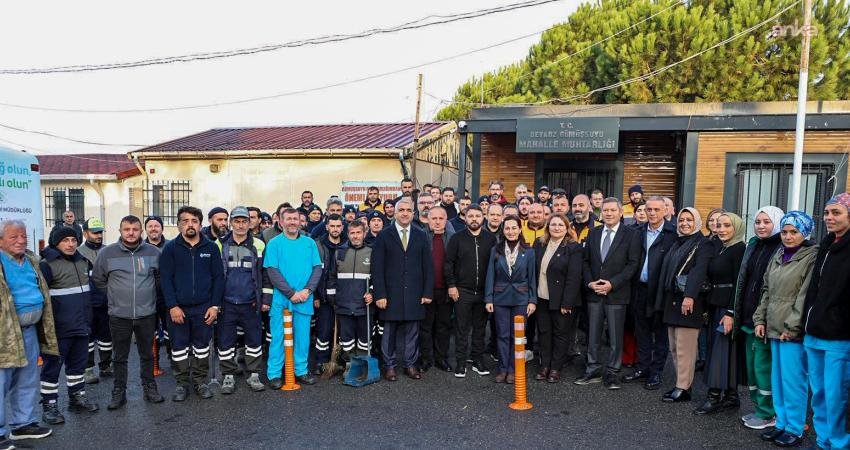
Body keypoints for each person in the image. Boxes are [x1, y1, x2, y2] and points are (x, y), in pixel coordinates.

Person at [752, 211, 817, 447]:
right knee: (777, 379)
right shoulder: (779, 254)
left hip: (791, 331)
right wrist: (760, 319)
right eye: (785, 231)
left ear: (805, 232)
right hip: (772, 326)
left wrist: (793, 326)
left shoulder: (811, 256)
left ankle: (795, 427)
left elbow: (805, 296)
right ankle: (781, 423)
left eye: (794, 232)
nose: (788, 236)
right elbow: (766, 289)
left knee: (793, 381)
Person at [91, 215, 164, 410]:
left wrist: (147, 296)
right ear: (120, 231)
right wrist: (115, 295)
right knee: (119, 356)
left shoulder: (153, 252)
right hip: (119, 315)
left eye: (135, 229)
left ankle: (150, 387)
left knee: (147, 354)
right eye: (126, 229)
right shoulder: (107, 254)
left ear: (141, 231)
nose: (131, 233)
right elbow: (98, 279)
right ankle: (119, 391)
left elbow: (159, 278)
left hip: (147, 313)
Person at [0, 220, 58, 444]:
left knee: (27, 378)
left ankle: (22, 424)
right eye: (14, 237)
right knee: (2, 382)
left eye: (23, 236)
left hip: (30, 330)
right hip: (5, 333)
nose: (21, 240)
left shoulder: (33, 260)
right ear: (1, 241)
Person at [160, 206, 224, 401]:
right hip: (178, 308)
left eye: (194, 221)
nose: (190, 224)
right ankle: (181, 384)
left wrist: (214, 306)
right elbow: (165, 279)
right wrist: (172, 306)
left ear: (200, 224)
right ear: (179, 225)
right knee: (178, 348)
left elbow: (218, 278)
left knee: (202, 347)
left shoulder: (211, 247)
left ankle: (199, 381)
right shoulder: (170, 248)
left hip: (204, 308)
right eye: (185, 221)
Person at [576, 198, 641, 390]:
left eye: (613, 210)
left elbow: (633, 264)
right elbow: (586, 261)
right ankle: (593, 369)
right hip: (594, 292)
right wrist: (590, 282)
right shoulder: (593, 233)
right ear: (600, 212)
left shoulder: (631, 235)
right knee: (593, 334)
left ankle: (613, 372)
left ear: (621, 212)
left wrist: (612, 284)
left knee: (615, 336)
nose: (609, 214)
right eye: (605, 210)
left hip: (617, 293)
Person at [802, 192, 850, 450]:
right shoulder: (826, 244)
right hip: (814, 333)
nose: (829, 218)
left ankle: (840, 444)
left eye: (836, 213)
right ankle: (824, 441)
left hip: (838, 338)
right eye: (827, 213)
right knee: (818, 394)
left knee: (837, 397)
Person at [38, 229, 100, 424]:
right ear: (56, 243)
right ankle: (49, 406)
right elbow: (41, 298)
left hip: (81, 326)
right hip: (58, 329)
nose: (71, 244)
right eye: (65, 240)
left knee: (77, 366)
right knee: (51, 370)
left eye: (74, 240)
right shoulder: (47, 265)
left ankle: (77, 398)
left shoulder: (83, 262)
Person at [731, 205, 784, 430]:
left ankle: (768, 413)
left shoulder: (782, 247)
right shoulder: (753, 244)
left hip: (765, 320)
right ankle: (758, 409)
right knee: (753, 369)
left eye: (766, 222)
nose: (761, 226)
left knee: (764, 369)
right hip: (747, 318)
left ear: (778, 223)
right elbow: (744, 280)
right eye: (758, 222)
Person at [371, 198, 434, 381]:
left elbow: (427, 266)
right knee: (389, 333)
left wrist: (427, 292)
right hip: (390, 294)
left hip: (415, 292)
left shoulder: (421, 234)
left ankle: (410, 364)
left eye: (408, 210)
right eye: (401, 210)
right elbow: (377, 267)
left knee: (412, 332)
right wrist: (380, 294)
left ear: (413, 213)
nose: (405, 213)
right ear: (395, 213)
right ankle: (390, 366)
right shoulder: (384, 235)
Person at [655, 208, 712, 403]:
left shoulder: (703, 243)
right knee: (674, 347)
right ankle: (681, 384)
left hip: (688, 302)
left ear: (696, 221)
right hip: (673, 300)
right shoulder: (678, 241)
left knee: (684, 349)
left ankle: (683, 387)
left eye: (689, 220)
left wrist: (689, 297)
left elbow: (699, 271)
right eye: (681, 220)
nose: (685, 223)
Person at [263, 208, 323, 388]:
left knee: (302, 338)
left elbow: (317, 268)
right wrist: (291, 293)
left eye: (295, 219)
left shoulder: (309, 243)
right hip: (282, 300)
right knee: (278, 338)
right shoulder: (274, 244)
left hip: (305, 299)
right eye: (288, 219)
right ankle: (274, 373)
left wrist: (307, 291)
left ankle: (301, 371)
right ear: (281, 222)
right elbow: (272, 271)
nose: (292, 222)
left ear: (300, 221)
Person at [624, 197, 677, 390]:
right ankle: (643, 367)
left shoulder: (673, 234)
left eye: (656, 209)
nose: (652, 213)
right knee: (642, 331)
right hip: (639, 288)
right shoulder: (636, 232)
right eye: (649, 209)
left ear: (665, 211)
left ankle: (656, 372)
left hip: (661, 290)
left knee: (660, 334)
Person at [695, 213, 746, 415]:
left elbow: (739, 284)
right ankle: (731, 397)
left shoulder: (739, 249)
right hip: (716, 305)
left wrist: (731, 312)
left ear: (736, 228)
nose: (721, 229)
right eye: (718, 225)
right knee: (724, 353)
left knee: (719, 353)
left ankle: (714, 397)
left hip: (727, 309)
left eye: (727, 225)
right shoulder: (721, 247)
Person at [214, 207, 268, 394]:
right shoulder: (219, 244)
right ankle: (228, 375)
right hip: (226, 301)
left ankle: (254, 374)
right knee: (226, 340)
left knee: (254, 339)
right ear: (230, 223)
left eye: (244, 221)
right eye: (236, 221)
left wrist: (265, 298)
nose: (240, 225)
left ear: (250, 223)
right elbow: (214, 275)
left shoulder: (259, 245)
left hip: (251, 301)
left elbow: (264, 274)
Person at [446, 204, 497, 378]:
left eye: (477, 216)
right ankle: (460, 362)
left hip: (483, 291)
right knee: (461, 328)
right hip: (462, 291)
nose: (474, 219)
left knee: (480, 328)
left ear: (483, 217)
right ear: (465, 218)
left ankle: (477, 360)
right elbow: (448, 263)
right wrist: (451, 285)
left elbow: (496, 264)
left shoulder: (491, 239)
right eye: (471, 216)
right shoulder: (456, 238)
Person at [485, 215, 536, 384]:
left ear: (520, 229)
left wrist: (532, 300)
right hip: (500, 299)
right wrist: (489, 299)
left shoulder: (528, 251)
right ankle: (502, 369)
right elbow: (490, 276)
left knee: (518, 337)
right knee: (503, 335)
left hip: (521, 299)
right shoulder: (496, 250)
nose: (511, 231)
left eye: (514, 228)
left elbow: (532, 278)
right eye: (507, 228)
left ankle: (514, 369)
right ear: (503, 230)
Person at [533, 214, 582, 383]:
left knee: (561, 334)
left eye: (561, 225)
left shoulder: (573, 247)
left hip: (562, 300)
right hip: (541, 297)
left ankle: (555, 368)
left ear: (567, 227)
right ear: (548, 227)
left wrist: (567, 302)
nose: (556, 227)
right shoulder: (539, 244)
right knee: (544, 333)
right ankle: (544, 365)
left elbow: (574, 278)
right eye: (553, 224)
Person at [327, 221, 373, 361]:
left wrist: (372, 293)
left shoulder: (371, 252)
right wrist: (333, 299)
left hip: (364, 306)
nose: (355, 236)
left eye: (358, 232)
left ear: (365, 233)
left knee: (365, 339)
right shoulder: (339, 252)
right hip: (344, 305)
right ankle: (349, 365)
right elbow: (331, 277)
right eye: (352, 233)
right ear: (347, 234)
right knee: (346, 339)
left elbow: (378, 278)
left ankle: (363, 364)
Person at [420, 207, 454, 373]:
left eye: (441, 218)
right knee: (425, 326)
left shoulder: (453, 238)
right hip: (426, 289)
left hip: (446, 290)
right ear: (428, 219)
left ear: (446, 219)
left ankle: (441, 358)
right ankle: (426, 358)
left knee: (443, 326)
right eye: (434, 218)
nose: (438, 221)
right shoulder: (421, 236)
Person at [77, 218, 112, 385]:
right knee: (88, 339)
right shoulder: (78, 253)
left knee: (106, 337)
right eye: (95, 232)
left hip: (107, 303)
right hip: (87, 304)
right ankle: (88, 369)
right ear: (85, 233)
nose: (99, 235)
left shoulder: (109, 251)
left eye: (100, 232)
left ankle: (106, 366)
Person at [314, 214, 347, 375]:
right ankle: (321, 360)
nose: (335, 229)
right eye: (332, 226)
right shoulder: (318, 246)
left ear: (342, 227)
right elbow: (313, 273)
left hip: (343, 297)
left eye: (338, 226)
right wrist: (316, 296)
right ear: (326, 227)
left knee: (341, 330)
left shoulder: (347, 246)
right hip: (323, 297)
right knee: (324, 330)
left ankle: (339, 360)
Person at [143, 216, 169, 377]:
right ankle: (154, 365)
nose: (153, 229)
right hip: (146, 297)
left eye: (156, 226)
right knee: (150, 333)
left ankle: (175, 361)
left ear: (162, 228)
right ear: (146, 229)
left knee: (171, 330)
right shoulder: (139, 248)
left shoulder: (171, 246)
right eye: (150, 226)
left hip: (167, 296)